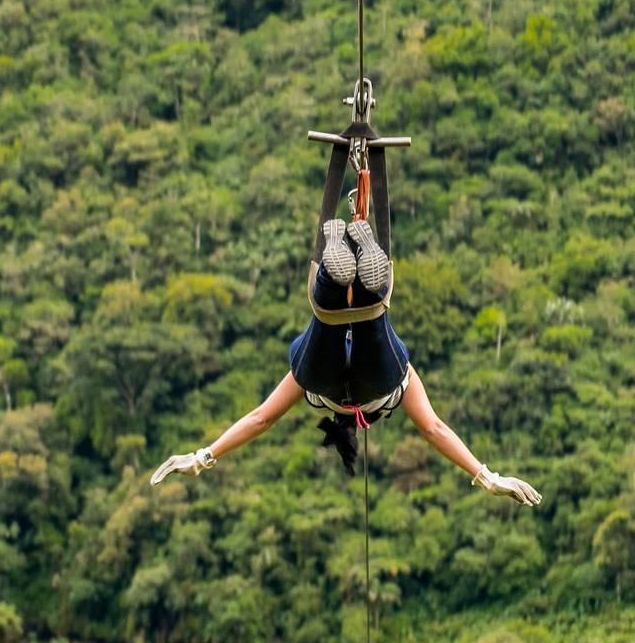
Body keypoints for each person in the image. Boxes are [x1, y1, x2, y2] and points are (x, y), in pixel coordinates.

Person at [152, 216, 541, 505]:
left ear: (361, 425)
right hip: (324, 383)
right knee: (325, 321)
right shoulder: (331, 400)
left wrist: (204, 457)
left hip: (378, 383)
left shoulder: (387, 402)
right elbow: (262, 418)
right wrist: (487, 477)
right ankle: (332, 279)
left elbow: (434, 428)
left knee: (374, 321)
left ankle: (366, 285)